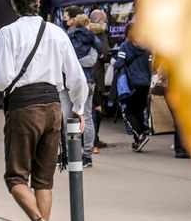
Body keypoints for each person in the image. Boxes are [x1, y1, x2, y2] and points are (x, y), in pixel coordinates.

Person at [0, 0, 87, 221]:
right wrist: (79, 108)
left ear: (14, 4)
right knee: (44, 180)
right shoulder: (57, 32)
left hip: (24, 107)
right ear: (39, 3)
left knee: (16, 176)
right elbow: (77, 77)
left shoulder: (8, 33)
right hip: (54, 105)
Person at [65, 13, 102, 167]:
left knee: (67, 117)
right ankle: (87, 154)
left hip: (68, 81)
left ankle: (68, 152)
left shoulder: (68, 37)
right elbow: (96, 57)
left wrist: (72, 64)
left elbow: (64, 58)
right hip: (87, 80)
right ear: (87, 24)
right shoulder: (93, 38)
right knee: (87, 117)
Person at [110, 23, 153, 152]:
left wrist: (113, 61)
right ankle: (138, 140)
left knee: (128, 112)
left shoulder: (125, 47)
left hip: (131, 83)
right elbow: (150, 66)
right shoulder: (148, 48)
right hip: (145, 83)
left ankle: (140, 135)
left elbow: (119, 64)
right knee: (139, 111)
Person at [88, 9, 110, 151]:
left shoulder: (81, 32)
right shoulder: (101, 34)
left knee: (85, 110)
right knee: (96, 108)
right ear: (99, 21)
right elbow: (106, 53)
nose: (106, 23)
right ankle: (94, 141)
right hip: (96, 75)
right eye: (104, 20)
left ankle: (87, 141)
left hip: (85, 75)